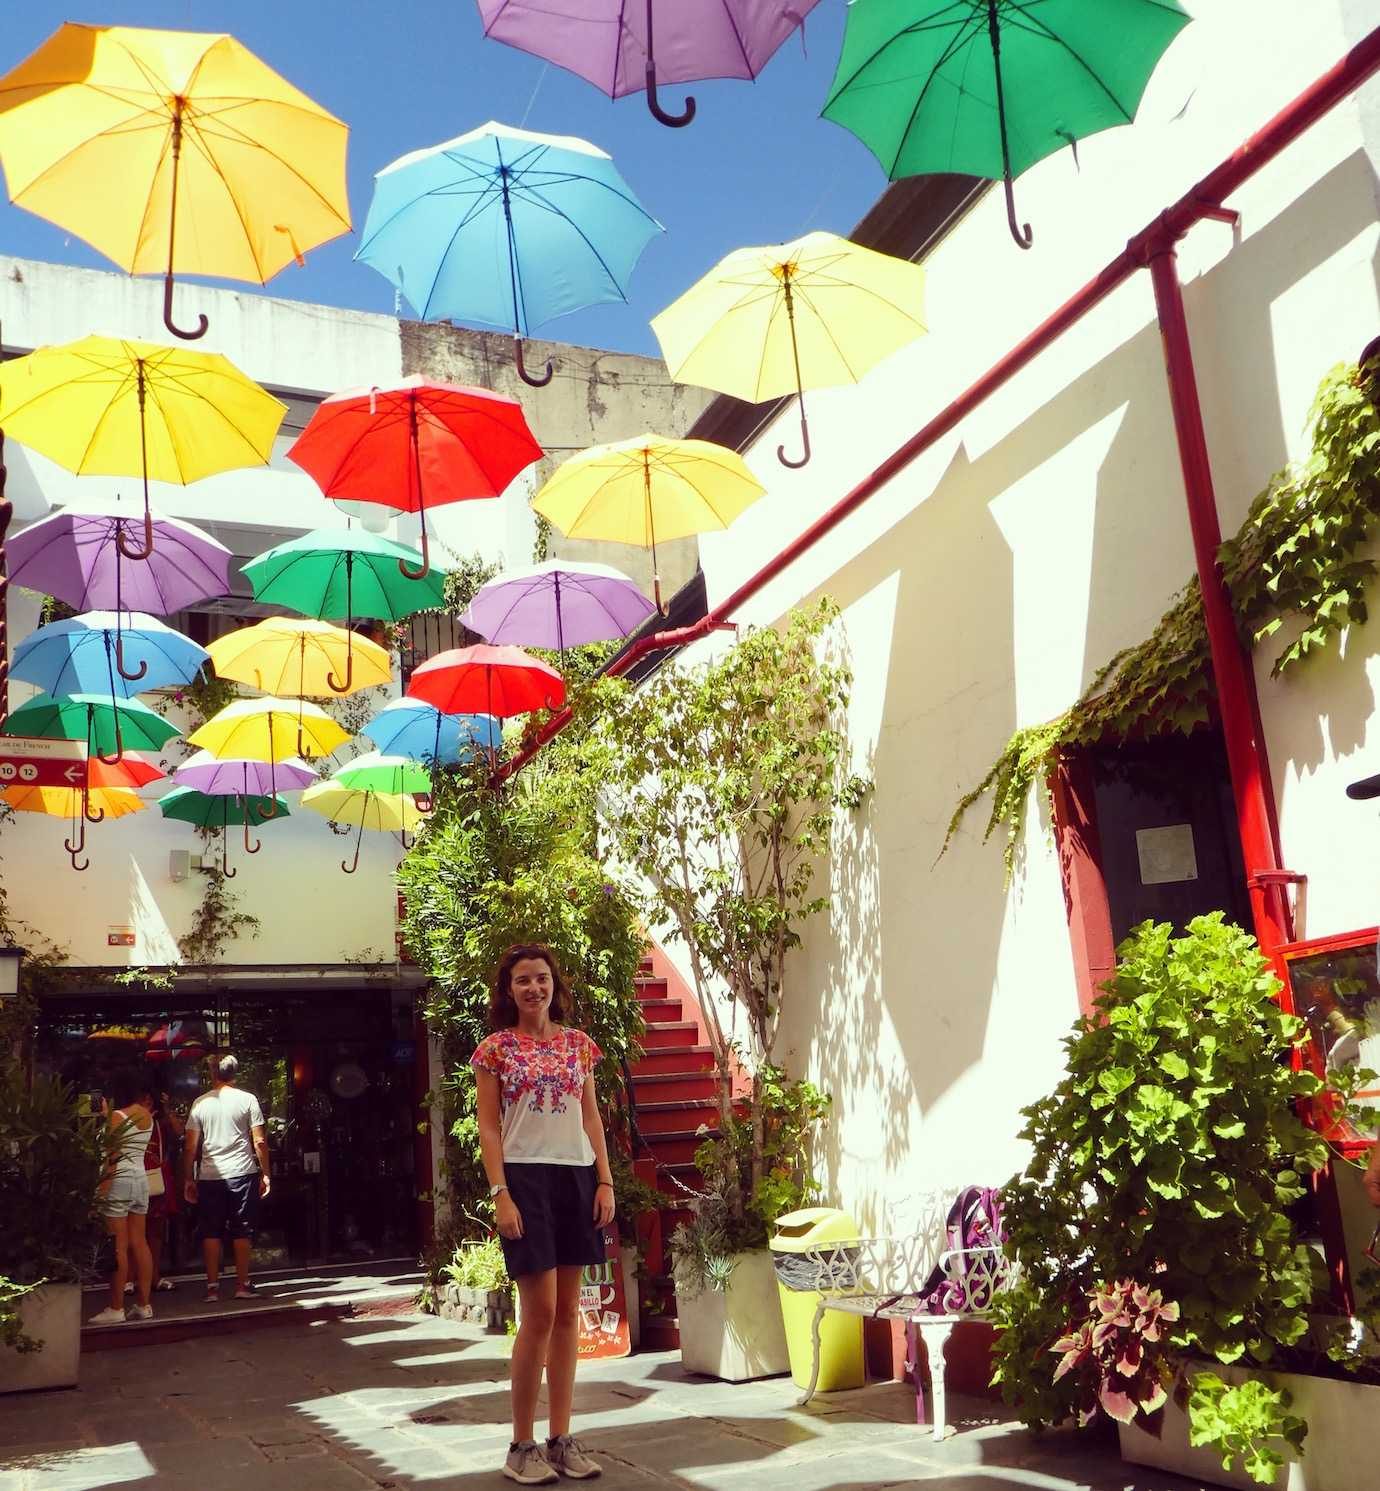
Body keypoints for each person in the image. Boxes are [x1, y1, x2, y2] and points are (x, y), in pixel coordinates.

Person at [473, 945, 616, 1485]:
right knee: (538, 1314)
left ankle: (561, 1439)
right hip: (525, 1180)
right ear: (507, 990)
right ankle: (520, 1446)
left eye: (542, 978)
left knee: (565, 1316)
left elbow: (591, 1116)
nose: (534, 988)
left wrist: (604, 1179)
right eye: (523, 981)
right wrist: (500, 1193)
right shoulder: (496, 1050)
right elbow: (489, 1128)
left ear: (554, 984)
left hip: (575, 1177)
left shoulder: (579, 1046)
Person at [182, 1054, 270, 1302]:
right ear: (235, 1074)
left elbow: (190, 1147)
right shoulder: (248, 1100)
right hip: (242, 1173)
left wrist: (188, 1178)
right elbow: (260, 1141)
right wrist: (266, 1174)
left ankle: (212, 1287)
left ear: (213, 1073)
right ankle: (242, 1284)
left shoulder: (200, 1103)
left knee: (211, 1231)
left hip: (210, 1175)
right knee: (242, 1230)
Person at [89, 1071, 155, 1326]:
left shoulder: (118, 1116)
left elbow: (112, 1160)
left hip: (119, 1182)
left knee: (118, 1245)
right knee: (140, 1242)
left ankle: (116, 1307)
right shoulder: (147, 1116)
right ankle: (143, 1305)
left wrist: (100, 1194)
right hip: (140, 1181)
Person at [141, 1084, 183, 1294]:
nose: (147, 1103)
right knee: (135, 1233)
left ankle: (153, 1276)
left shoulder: (159, 1123)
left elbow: (179, 1130)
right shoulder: (125, 1121)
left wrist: (167, 1109)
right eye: (143, 1100)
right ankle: (132, 1278)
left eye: (150, 1099)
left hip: (154, 1182)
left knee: (155, 1232)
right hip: (138, 1180)